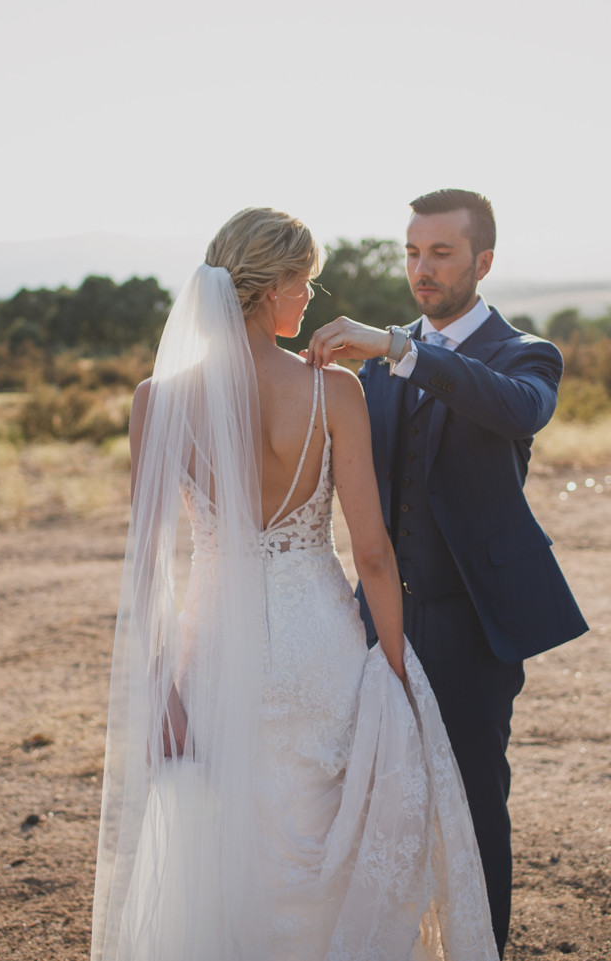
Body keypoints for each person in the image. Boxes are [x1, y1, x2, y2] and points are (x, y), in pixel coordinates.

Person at [90, 208, 498, 961]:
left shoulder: (156, 400)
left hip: (214, 645)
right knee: (322, 842)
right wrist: (400, 673)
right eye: (304, 283)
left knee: (224, 841)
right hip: (318, 644)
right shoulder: (333, 391)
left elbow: (145, 569)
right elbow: (371, 553)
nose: (310, 298)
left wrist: (162, 690)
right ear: (272, 286)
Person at [306, 189, 589, 956]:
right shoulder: (377, 360)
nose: (420, 269)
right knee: (372, 799)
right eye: (411, 252)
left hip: (473, 625)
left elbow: (518, 410)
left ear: (482, 262)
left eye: (440, 253)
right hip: (377, 618)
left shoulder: (525, 354)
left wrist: (404, 351)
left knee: (472, 803)